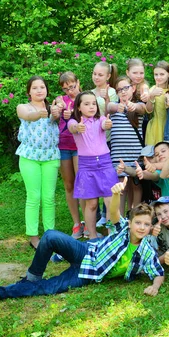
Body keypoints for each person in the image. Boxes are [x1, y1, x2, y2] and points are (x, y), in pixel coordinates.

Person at [0, 178, 165, 307]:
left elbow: (158, 272)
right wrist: (114, 194)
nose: (141, 227)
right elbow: (114, 213)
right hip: (86, 252)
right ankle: (32, 276)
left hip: (87, 273)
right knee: (51, 235)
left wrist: (155, 287)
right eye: (137, 222)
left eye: (146, 224)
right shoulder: (123, 229)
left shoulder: (146, 250)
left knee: (48, 288)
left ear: (150, 228)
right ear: (130, 224)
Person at [15, 76, 60, 249]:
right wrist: (38, 114)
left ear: (46, 90)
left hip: (50, 157)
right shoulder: (23, 107)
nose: (39, 90)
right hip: (29, 158)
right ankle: (33, 236)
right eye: (35, 88)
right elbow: (28, 116)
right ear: (29, 92)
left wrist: (57, 112)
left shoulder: (53, 108)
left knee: (48, 198)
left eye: (42, 87)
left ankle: (51, 235)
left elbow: (60, 118)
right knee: (34, 197)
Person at [68, 91, 119, 238]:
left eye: (93, 104)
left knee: (110, 201)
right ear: (78, 107)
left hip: (105, 163)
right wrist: (78, 128)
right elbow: (72, 128)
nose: (91, 107)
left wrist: (108, 123)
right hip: (86, 165)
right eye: (86, 104)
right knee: (91, 204)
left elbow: (105, 124)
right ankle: (92, 236)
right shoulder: (74, 122)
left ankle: (111, 234)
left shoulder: (100, 119)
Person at [108, 76, 150, 215]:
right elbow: (109, 107)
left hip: (135, 155)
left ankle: (135, 216)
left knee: (136, 186)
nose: (123, 92)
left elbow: (142, 108)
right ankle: (119, 220)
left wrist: (133, 106)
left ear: (132, 88)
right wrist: (118, 106)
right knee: (121, 188)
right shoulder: (114, 108)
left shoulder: (138, 105)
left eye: (125, 88)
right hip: (118, 156)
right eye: (119, 90)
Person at [52, 72, 84, 238]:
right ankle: (76, 224)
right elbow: (56, 109)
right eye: (66, 89)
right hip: (64, 145)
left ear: (78, 82)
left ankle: (88, 220)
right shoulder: (60, 100)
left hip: (80, 146)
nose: (70, 91)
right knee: (69, 185)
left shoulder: (85, 98)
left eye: (72, 87)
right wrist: (58, 110)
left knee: (82, 182)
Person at [145, 61, 169, 146]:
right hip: (156, 127)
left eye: (162, 74)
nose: (158, 77)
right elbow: (148, 110)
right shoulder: (153, 89)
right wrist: (151, 96)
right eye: (156, 74)